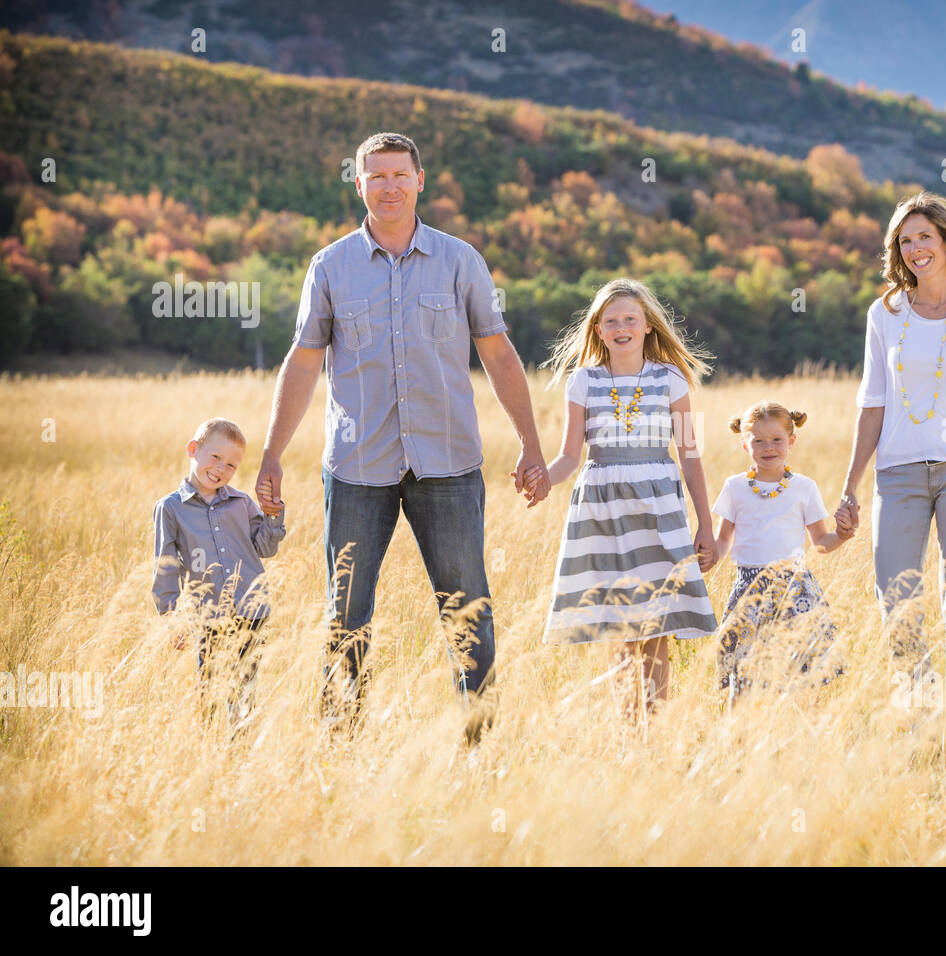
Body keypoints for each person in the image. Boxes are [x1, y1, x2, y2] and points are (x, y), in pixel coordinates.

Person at [254, 132, 550, 739]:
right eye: (375, 176)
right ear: (357, 184)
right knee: (346, 614)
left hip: (448, 464)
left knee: (467, 608)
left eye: (399, 174)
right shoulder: (330, 266)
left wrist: (531, 442)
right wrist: (271, 455)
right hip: (359, 467)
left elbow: (496, 351)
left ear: (420, 180)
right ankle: (341, 741)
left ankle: (480, 741)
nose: (388, 186)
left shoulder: (460, 260)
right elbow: (305, 360)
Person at [837, 191, 946, 682]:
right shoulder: (885, 314)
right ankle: (919, 724)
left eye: (925, 237)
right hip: (897, 473)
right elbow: (872, 403)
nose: (916, 248)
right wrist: (850, 485)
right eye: (905, 239)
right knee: (895, 599)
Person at [525, 277, 717, 717]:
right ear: (597, 330)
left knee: (655, 626)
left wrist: (705, 525)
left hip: (657, 510)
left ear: (648, 325)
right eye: (611, 320)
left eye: (630, 318)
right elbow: (569, 456)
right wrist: (544, 481)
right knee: (619, 626)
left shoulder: (671, 379)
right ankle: (627, 728)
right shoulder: (583, 382)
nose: (621, 326)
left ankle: (655, 724)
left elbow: (689, 455)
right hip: (602, 511)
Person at [709, 402, 853, 698]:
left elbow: (821, 543)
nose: (768, 447)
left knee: (804, 671)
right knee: (742, 673)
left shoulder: (804, 487)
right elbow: (723, 540)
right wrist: (708, 555)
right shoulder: (735, 487)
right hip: (749, 587)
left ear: (792, 441)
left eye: (776, 440)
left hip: (795, 588)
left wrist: (841, 535)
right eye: (758, 441)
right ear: (744, 444)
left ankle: (804, 735)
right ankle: (738, 737)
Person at [152, 418, 286, 727]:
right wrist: (172, 618)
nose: (220, 469)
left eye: (230, 465)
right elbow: (165, 568)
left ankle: (240, 751)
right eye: (215, 457)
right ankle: (209, 752)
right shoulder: (171, 509)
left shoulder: (241, 503)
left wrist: (273, 515)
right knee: (209, 692)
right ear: (193, 450)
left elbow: (265, 548)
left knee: (244, 692)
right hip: (209, 614)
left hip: (253, 610)